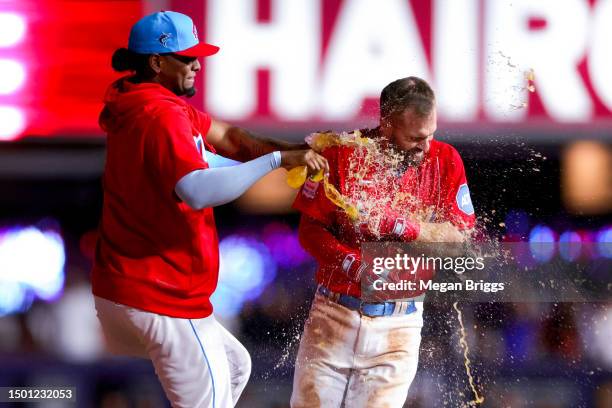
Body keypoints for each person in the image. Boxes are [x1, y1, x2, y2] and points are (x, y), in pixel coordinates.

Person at [91, 11, 327, 408]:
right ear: (156, 61)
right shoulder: (161, 115)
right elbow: (196, 191)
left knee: (235, 366)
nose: (198, 64)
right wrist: (275, 162)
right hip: (162, 296)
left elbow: (230, 140)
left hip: (124, 288)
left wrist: (294, 153)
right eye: (187, 57)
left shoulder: (145, 102)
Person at [290, 76, 476, 407]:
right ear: (386, 124)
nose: (426, 146)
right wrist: (353, 265)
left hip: (399, 326)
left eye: (431, 134)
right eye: (416, 137)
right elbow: (309, 230)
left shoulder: (445, 161)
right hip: (333, 316)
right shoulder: (340, 153)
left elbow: (457, 241)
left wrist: (402, 226)